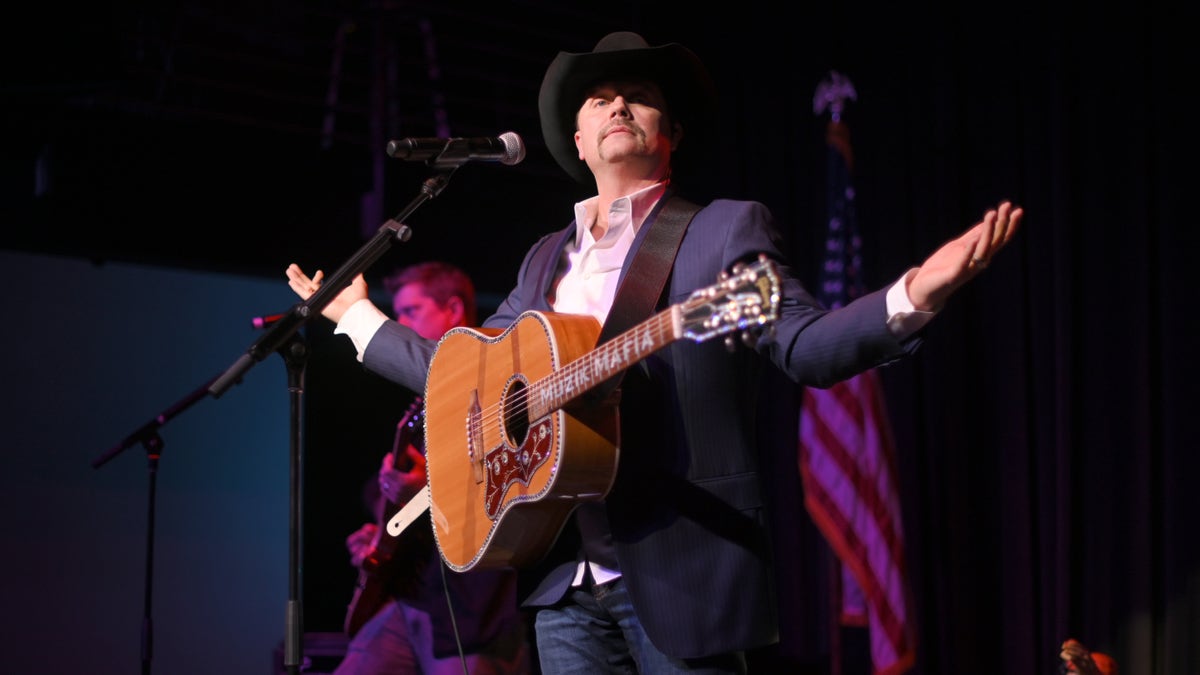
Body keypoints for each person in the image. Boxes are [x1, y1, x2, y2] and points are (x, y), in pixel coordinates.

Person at [288, 31, 1023, 675]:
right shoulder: (545, 261)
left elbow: (808, 346)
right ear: (576, 141)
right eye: (599, 98)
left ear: (668, 129)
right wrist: (355, 314)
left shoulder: (725, 231)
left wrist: (915, 291)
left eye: (636, 96)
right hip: (560, 578)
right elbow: (459, 384)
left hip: (685, 566)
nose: (616, 106)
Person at [332, 261, 531, 675]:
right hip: (412, 593)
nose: (400, 322)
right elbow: (392, 491)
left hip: (473, 605)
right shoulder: (424, 399)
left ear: (454, 309)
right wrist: (384, 533)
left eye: (411, 310)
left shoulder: (496, 381)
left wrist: (424, 491)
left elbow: (510, 479)